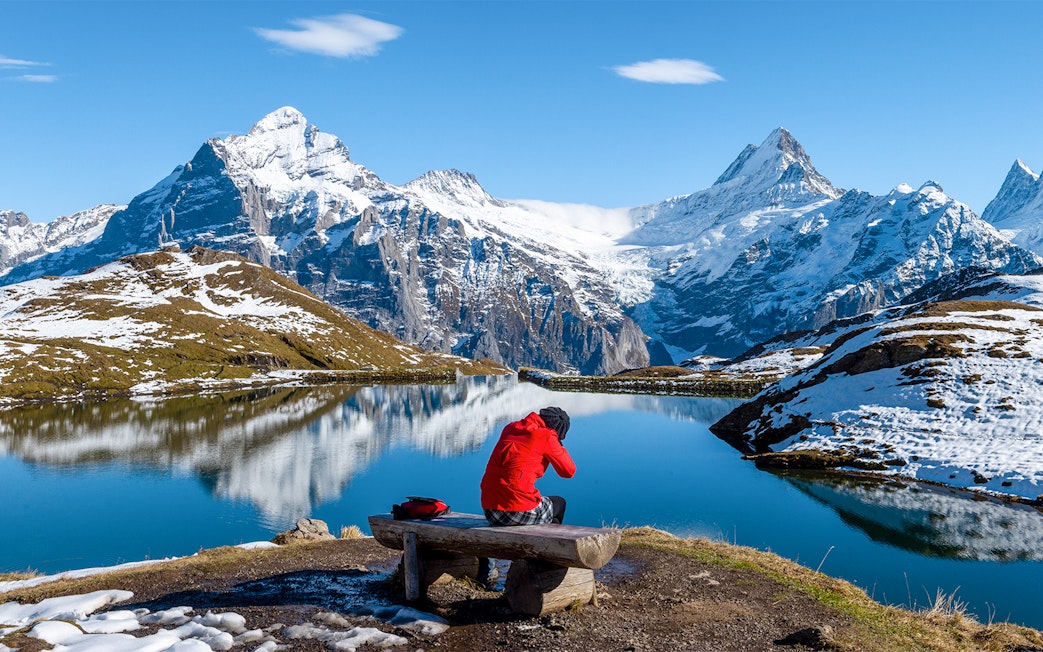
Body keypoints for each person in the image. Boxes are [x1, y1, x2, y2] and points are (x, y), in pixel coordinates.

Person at [476, 406, 575, 589]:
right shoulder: (546, 436)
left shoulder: (510, 427)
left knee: (532, 504)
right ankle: (545, 564)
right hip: (515, 509)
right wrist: (557, 444)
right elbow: (568, 471)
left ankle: (495, 570)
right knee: (558, 504)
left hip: (490, 509)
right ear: (557, 431)